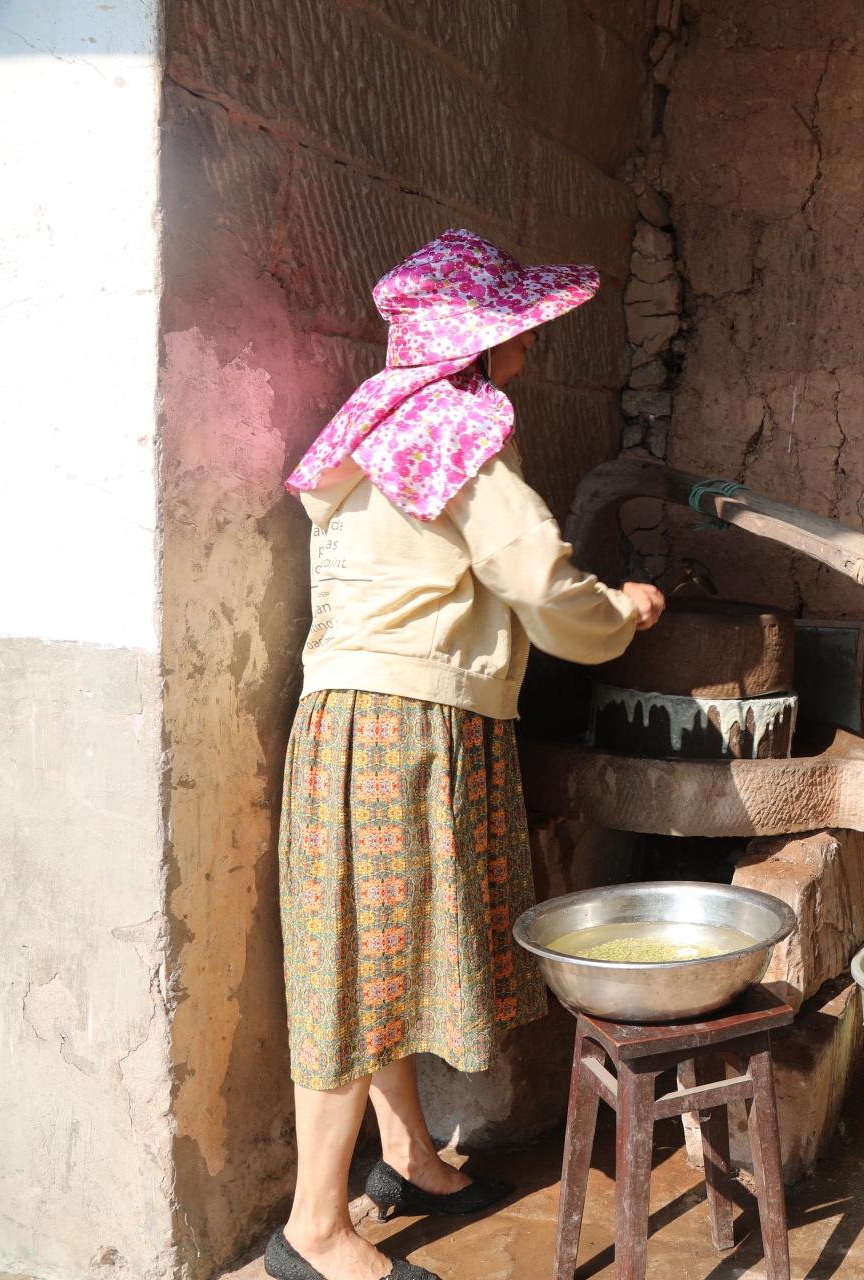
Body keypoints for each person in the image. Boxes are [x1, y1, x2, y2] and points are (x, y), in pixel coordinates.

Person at [269, 229, 666, 1280]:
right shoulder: (462, 429)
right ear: (480, 347)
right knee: (360, 968)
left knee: (367, 947)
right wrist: (619, 614)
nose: (530, 340)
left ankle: (404, 1157)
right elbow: (536, 578)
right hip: (407, 721)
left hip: (343, 718)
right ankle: (314, 1228)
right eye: (515, 325)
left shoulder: (374, 422)